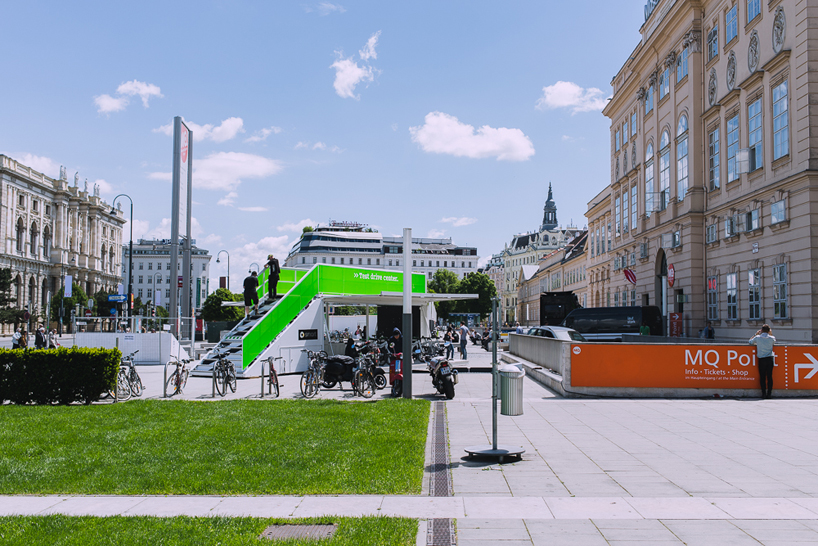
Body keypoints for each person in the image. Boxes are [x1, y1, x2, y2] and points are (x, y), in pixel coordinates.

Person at [749, 324, 776, 399]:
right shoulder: (772, 338)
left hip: (762, 359)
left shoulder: (757, 338)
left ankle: (763, 393)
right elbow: (774, 341)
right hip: (770, 358)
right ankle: (769, 394)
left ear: (761, 330)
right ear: (769, 330)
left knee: (762, 377)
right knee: (770, 376)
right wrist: (770, 333)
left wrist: (755, 334)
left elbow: (750, 342)